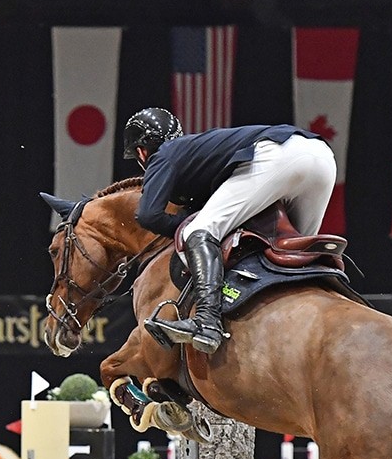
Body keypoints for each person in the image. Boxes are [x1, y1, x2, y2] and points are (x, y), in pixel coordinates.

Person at [121, 107, 337, 354]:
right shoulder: (197, 154)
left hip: (278, 156)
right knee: (295, 254)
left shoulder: (163, 155)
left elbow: (148, 215)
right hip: (323, 157)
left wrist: (184, 227)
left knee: (197, 232)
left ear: (141, 151)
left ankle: (207, 322)